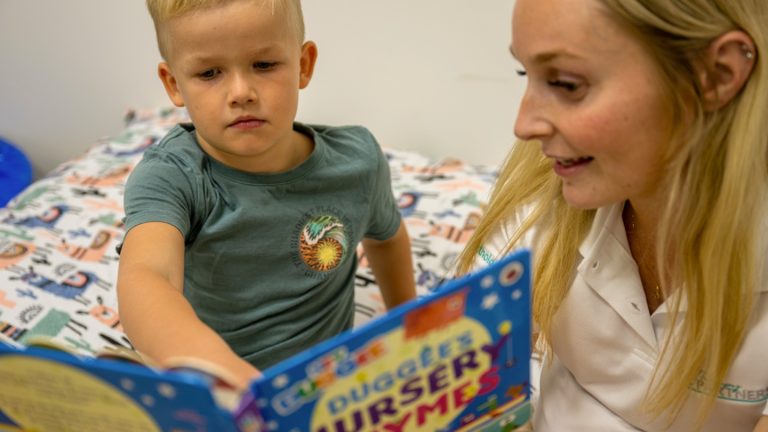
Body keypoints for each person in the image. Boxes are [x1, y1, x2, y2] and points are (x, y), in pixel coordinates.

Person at [456, 0, 768, 430]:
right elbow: (467, 369)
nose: (524, 124)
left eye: (566, 84)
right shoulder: (544, 197)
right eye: (524, 74)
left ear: (716, 75)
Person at [117, 0, 416, 389]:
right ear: (173, 83)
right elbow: (146, 277)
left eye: (264, 65)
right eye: (209, 73)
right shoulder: (171, 178)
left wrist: (412, 324)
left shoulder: (357, 163)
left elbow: (387, 238)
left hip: (329, 385)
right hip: (222, 391)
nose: (241, 92)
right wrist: (225, 373)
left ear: (304, 65)